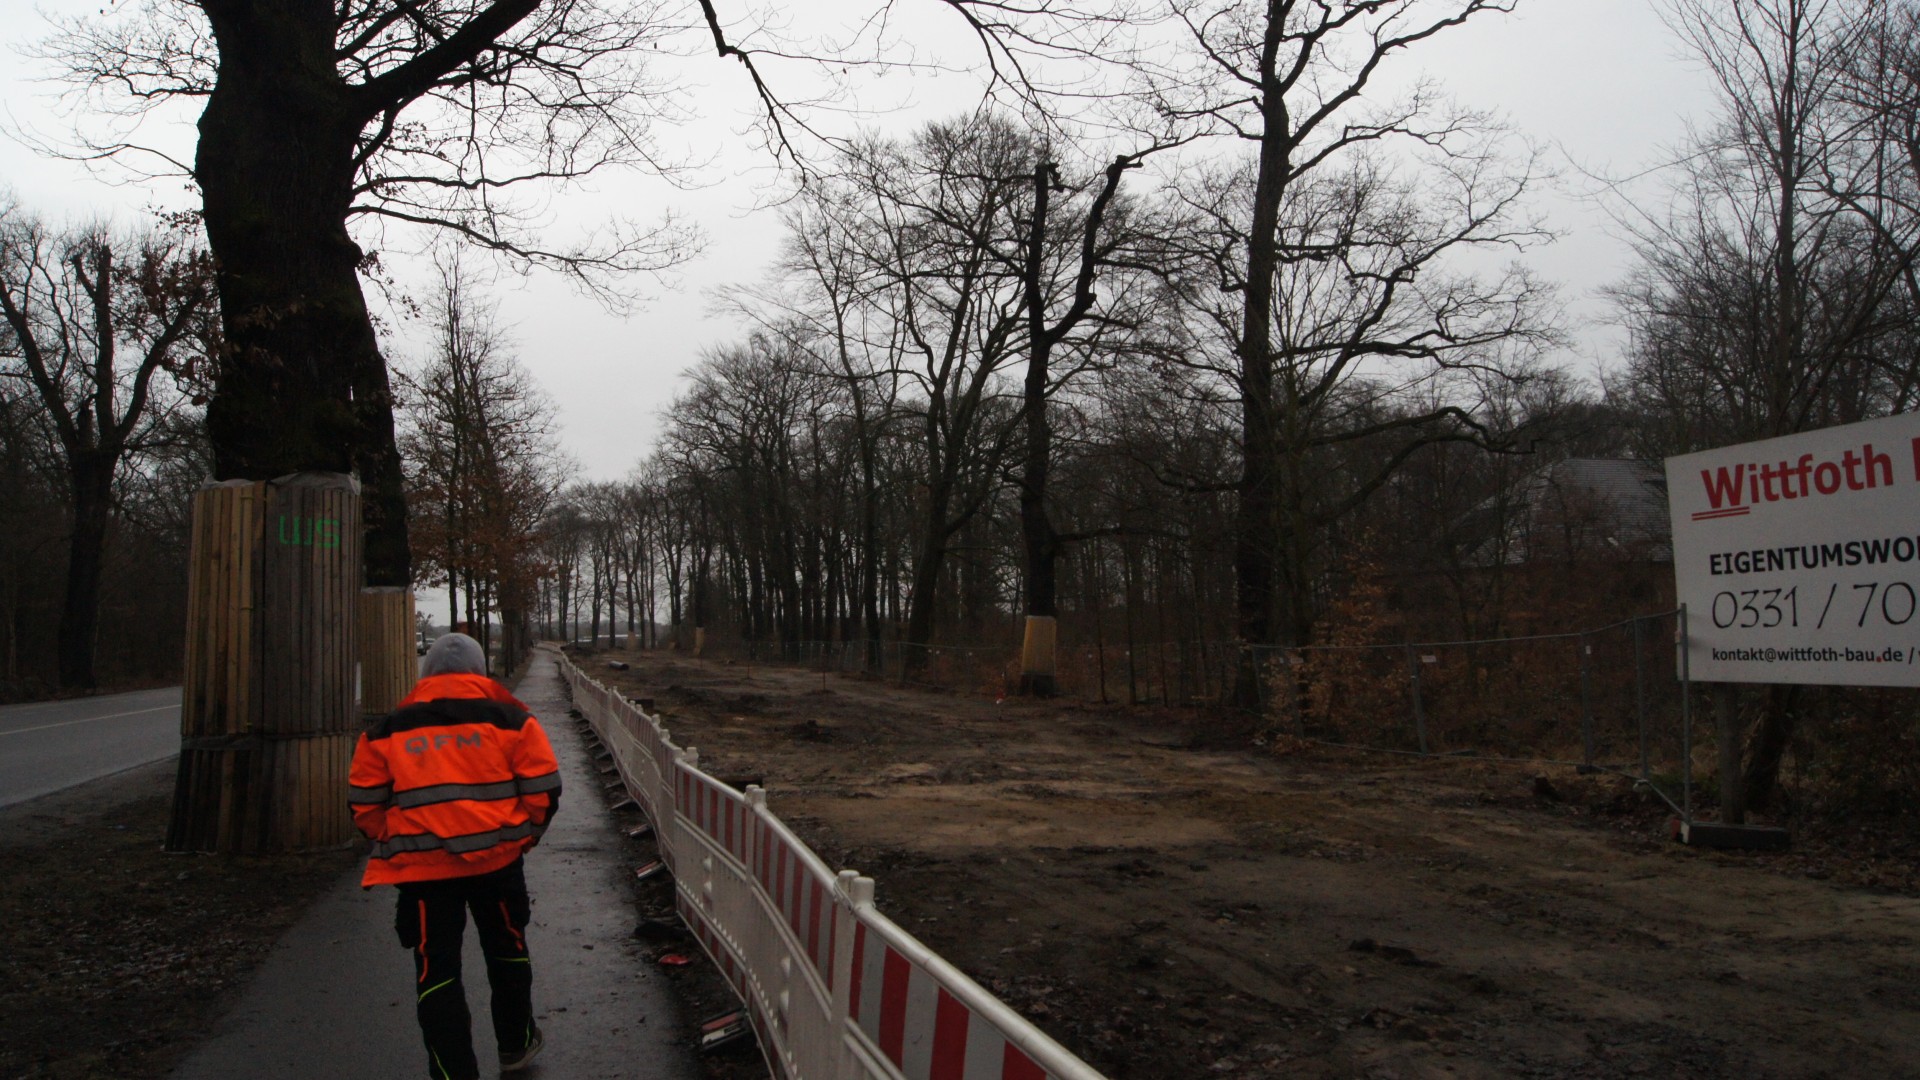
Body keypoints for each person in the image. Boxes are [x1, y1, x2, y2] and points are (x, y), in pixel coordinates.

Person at [348, 633, 562, 1079]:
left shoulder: (388, 729)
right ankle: (515, 1045)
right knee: (507, 950)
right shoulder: (512, 721)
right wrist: (522, 835)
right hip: (498, 864)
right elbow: (543, 791)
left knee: (436, 970)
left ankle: (452, 1073)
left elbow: (364, 804)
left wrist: (401, 837)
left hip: (423, 875)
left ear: (425, 675)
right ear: (481, 672)